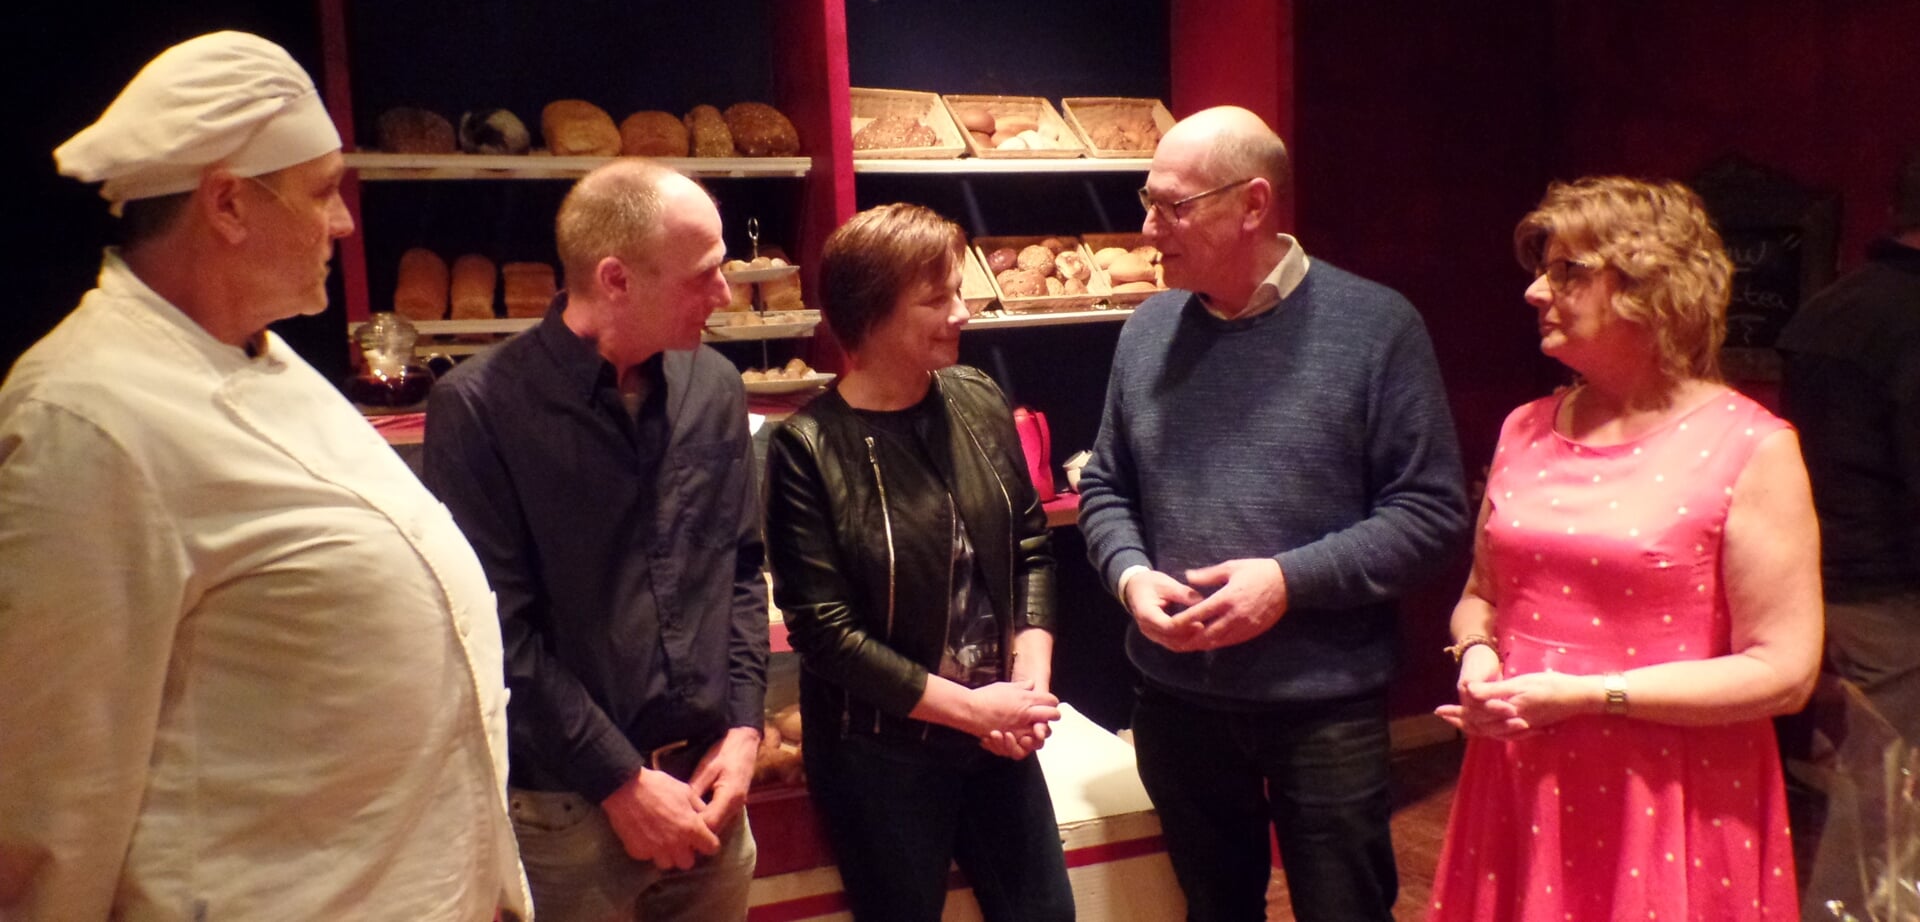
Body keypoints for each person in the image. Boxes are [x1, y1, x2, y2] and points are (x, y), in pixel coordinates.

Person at [0, 31, 528, 920]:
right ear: (229, 205)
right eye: (323, 192)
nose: (345, 222)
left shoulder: (272, 364)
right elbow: (49, 804)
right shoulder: (87, 420)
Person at [1078, 105, 1469, 922]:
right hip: (1176, 698)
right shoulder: (1148, 330)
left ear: (1253, 204)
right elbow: (1107, 486)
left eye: (1172, 207)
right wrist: (1129, 577)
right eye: (1146, 200)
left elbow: (1431, 514)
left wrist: (1287, 582)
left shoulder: (1377, 328)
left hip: (1324, 705)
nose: (1149, 229)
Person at [1425, 176, 1822, 920]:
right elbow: (1482, 596)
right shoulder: (1526, 427)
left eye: (1568, 270)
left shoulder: (1750, 448)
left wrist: (1585, 696)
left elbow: (1784, 672)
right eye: (1543, 269)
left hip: (1671, 794)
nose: (1535, 292)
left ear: (1653, 288)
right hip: (1519, 775)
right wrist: (1476, 658)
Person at [422, 160, 769, 922]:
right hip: (570, 816)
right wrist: (619, 781)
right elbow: (496, 629)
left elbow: (740, 567)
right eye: (703, 275)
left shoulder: (715, 385)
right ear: (615, 279)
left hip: (714, 791)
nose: (723, 294)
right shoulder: (479, 409)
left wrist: (745, 727)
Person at [762, 203, 1074, 922]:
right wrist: (973, 710)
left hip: (998, 731)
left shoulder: (977, 397)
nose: (962, 313)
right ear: (870, 315)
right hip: (882, 759)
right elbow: (827, 636)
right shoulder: (807, 448)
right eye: (937, 298)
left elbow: (1029, 545)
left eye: (959, 292)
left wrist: (1027, 688)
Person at [1778, 162, 1920, 741]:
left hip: (1815, 569)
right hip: (1891, 589)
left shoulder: (1829, 304)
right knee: (1895, 787)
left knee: (1866, 776)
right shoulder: (1910, 315)